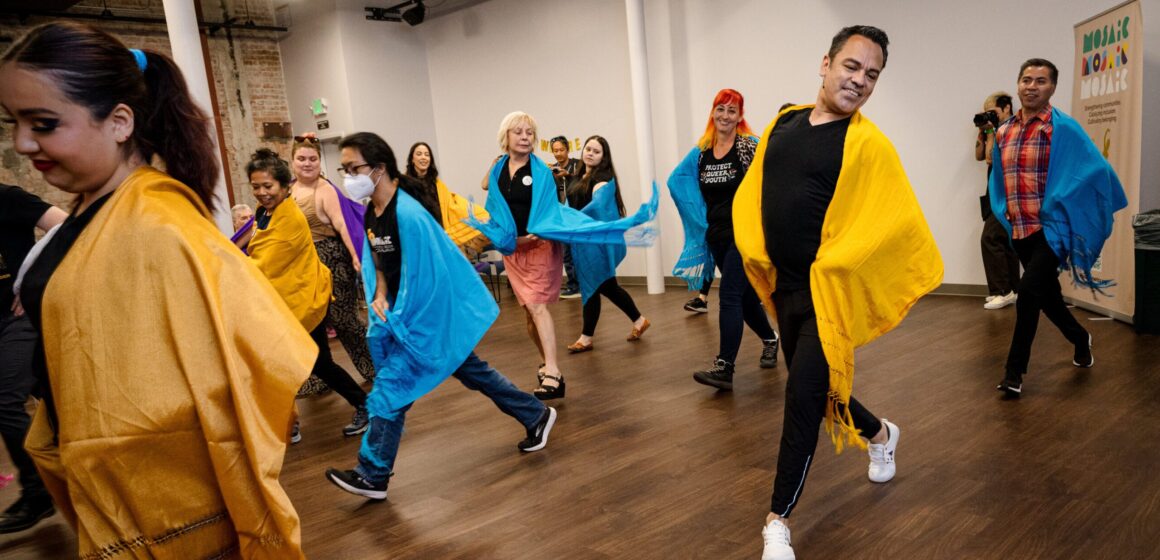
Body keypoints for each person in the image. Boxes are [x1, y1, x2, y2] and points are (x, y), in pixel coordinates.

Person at [1, 22, 311, 557]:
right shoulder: (97, 210)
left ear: (120, 121)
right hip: (109, 485)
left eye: (44, 123)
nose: (22, 143)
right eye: (14, 124)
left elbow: (259, 356)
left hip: (165, 503)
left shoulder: (159, 225)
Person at [731, 26, 943, 559]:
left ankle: (776, 522)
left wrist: (843, 260)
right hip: (784, 290)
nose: (860, 80)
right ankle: (880, 434)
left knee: (802, 398)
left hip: (828, 295)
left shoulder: (869, 144)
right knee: (826, 397)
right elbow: (756, 190)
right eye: (852, 67)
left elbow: (897, 222)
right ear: (825, 64)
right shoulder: (783, 124)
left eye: (872, 75)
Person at [324, 132, 556, 500]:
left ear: (379, 169)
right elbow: (381, 261)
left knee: (393, 388)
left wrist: (402, 316)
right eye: (345, 169)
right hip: (407, 314)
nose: (348, 177)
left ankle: (373, 474)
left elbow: (430, 276)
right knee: (471, 370)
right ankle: (535, 414)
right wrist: (381, 293)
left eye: (354, 169)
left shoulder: (409, 215)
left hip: (429, 316)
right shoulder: (373, 211)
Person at [466, 111, 657, 400]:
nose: (525, 136)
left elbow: (546, 213)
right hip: (513, 250)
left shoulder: (540, 170)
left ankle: (553, 372)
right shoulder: (498, 169)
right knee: (529, 314)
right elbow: (493, 202)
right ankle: (547, 363)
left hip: (539, 247)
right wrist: (506, 238)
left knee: (537, 307)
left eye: (529, 132)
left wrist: (532, 235)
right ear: (505, 136)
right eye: (518, 132)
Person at [990, 58, 1127, 397]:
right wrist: (1002, 210)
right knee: (1046, 297)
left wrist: (1067, 203)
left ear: (1052, 88)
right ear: (1018, 84)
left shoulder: (1062, 128)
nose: (1031, 86)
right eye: (1026, 79)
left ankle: (1013, 374)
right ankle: (1081, 338)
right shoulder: (1004, 131)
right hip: (1020, 229)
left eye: (1040, 81)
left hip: (1052, 231)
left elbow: (1094, 169)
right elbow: (999, 180)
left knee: (1027, 295)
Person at [245, 148, 369, 441]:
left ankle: (364, 406)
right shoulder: (266, 212)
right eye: (256, 187)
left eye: (268, 186)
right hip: (292, 300)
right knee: (309, 362)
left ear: (285, 186)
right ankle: (292, 422)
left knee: (315, 362)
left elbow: (263, 263)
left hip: (304, 302)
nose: (262, 192)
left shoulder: (289, 219)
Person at [669, 88, 780, 391]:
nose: (725, 116)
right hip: (716, 235)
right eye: (721, 109)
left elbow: (771, 177)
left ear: (740, 116)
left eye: (732, 110)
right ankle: (771, 339)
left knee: (729, 295)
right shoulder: (702, 151)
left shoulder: (749, 146)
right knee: (743, 300)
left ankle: (724, 367)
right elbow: (676, 179)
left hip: (744, 236)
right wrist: (697, 219)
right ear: (713, 112)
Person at [0, 186, 65, 534]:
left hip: (18, 317)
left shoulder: (7, 198)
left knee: (6, 402)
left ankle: (38, 494)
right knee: (50, 400)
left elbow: (65, 228)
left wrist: (33, 282)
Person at [290, 134, 376, 386]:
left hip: (332, 259)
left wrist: (355, 256)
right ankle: (320, 376)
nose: (307, 163)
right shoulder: (289, 190)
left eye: (312, 159)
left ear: (320, 162)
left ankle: (376, 368)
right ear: (292, 161)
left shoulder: (325, 190)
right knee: (312, 324)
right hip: (304, 264)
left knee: (344, 320)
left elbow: (342, 224)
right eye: (301, 158)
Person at [564, 135, 649, 353]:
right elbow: (567, 206)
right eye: (588, 149)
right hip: (581, 241)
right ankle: (639, 321)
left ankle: (586, 338)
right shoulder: (575, 178)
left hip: (595, 241)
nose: (590, 153)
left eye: (596, 151)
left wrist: (573, 223)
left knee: (594, 286)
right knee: (606, 285)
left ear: (604, 156)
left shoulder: (603, 179)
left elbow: (597, 207)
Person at [975, 91, 1020, 310]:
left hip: (1007, 192)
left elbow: (993, 157)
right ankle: (1013, 289)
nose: (989, 116)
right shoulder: (993, 129)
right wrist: (984, 133)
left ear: (1006, 108)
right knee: (1005, 241)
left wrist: (992, 132)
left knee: (990, 238)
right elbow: (980, 156)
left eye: (992, 112)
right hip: (995, 189)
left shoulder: (1012, 129)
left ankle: (1001, 291)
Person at [405, 140, 490, 251]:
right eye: (419, 154)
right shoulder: (405, 184)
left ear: (430, 160)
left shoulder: (438, 184)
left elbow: (450, 206)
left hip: (438, 234)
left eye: (427, 155)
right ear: (412, 159)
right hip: (417, 236)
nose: (423, 157)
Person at [549, 135, 584, 298]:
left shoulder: (578, 165)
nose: (558, 154)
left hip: (577, 214)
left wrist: (567, 176)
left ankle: (583, 284)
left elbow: (584, 183)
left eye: (561, 150)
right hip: (561, 217)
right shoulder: (552, 169)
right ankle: (573, 285)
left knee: (579, 251)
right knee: (566, 253)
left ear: (567, 149)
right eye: (555, 151)